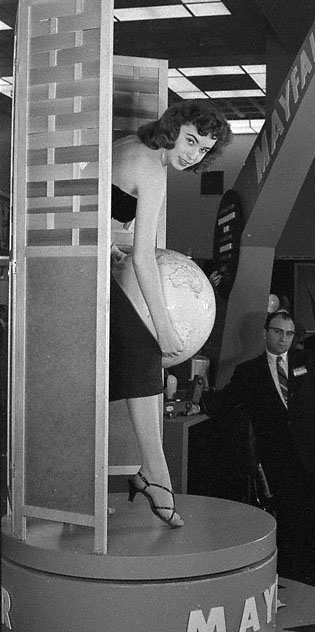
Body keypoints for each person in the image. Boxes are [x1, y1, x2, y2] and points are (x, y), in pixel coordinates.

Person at [110, 99, 232, 528]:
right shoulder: (153, 170)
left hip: (83, 260)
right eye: (191, 140)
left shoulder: (130, 144)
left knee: (125, 364)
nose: (193, 154)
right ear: (173, 127)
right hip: (77, 272)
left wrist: (105, 243)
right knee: (144, 352)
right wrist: (163, 328)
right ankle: (156, 476)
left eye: (203, 150)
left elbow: (93, 200)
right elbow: (144, 258)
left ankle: (150, 475)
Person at [215, 309, 315, 578]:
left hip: (312, 453)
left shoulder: (311, 361)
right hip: (278, 457)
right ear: (265, 333)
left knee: (313, 511)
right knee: (288, 514)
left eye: (289, 334)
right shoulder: (248, 372)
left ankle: (312, 570)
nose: (284, 339)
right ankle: (291, 571)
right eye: (278, 332)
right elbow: (224, 403)